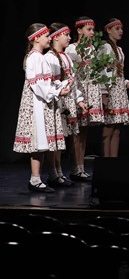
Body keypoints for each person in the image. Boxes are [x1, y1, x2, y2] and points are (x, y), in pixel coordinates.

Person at [13, 23, 71, 193]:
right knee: (38, 142)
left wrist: (60, 86)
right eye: (46, 36)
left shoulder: (40, 57)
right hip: (37, 104)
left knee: (42, 143)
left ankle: (38, 178)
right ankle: (35, 179)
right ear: (36, 38)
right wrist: (57, 92)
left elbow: (46, 82)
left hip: (44, 102)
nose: (49, 39)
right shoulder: (34, 58)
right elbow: (38, 86)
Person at [45, 23, 86, 188]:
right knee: (56, 139)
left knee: (63, 139)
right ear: (56, 37)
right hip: (57, 101)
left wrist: (79, 99)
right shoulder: (50, 57)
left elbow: (72, 82)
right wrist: (61, 88)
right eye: (66, 35)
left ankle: (60, 172)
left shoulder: (66, 57)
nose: (69, 38)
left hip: (67, 100)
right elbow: (49, 82)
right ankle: (53, 173)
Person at [65, 16, 104, 177]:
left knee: (84, 131)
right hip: (79, 90)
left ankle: (81, 167)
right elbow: (70, 73)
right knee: (76, 131)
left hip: (90, 90)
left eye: (93, 29)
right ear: (79, 30)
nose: (92, 32)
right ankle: (75, 167)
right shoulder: (72, 49)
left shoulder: (92, 49)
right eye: (89, 29)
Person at [99, 18, 129, 157]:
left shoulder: (119, 50)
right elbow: (103, 72)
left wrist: (126, 83)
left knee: (116, 129)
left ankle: (113, 162)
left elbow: (118, 73)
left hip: (118, 91)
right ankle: (106, 161)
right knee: (108, 128)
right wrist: (104, 93)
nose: (120, 31)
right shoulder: (105, 47)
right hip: (109, 91)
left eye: (121, 28)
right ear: (108, 30)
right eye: (117, 29)